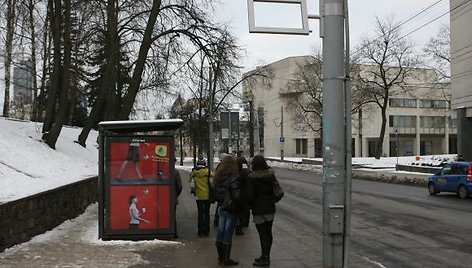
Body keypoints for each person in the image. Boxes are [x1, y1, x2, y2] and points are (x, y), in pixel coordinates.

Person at [246, 155, 276, 267]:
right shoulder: (270, 175)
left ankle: (264, 257)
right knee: (269, 233)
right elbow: (275, 189)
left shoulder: (252, 177)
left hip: (258, 209)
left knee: (262, 234)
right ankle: (266, 255)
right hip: (270, 208)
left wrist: (249, 205)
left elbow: (249, 195)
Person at [214, 156, 241, 266]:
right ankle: (226, 259)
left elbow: (215, 192)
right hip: (231, 207)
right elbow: (236, 194)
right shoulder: (233, 176)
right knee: (228, 232)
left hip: (221, 207)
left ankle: (220, 257)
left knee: (220, 231)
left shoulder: (218, 176)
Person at [190, 155, 212, 237]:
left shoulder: (194, 173)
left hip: (198, 196)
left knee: (200, 212)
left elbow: (192, 185)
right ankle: (206, 230)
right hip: (207, 196)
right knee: (206, 213)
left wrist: (194, 191)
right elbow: (212, 184)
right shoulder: (208, 172)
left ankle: (200, 230)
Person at [235, 156, 250, 235]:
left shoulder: (236, 171)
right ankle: (244, 223)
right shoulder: (247, 171)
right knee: (245, 209)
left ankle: (238, 226)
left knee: (237, 210)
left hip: (237, 193)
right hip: (246, 194)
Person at [173, 159, 183, 239]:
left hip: (161, 199)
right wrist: (176, 194)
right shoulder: (175, 172)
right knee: (173, 216)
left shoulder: (160, 171)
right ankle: (174, 232)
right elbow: (179, 186)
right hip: (173, 198)